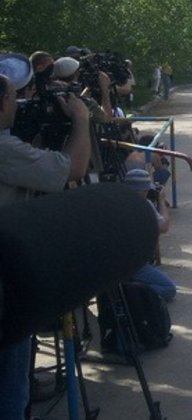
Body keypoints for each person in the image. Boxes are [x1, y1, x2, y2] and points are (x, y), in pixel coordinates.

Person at [0, 56, 92, 420]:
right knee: (11, 385)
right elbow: (75, 168)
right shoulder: (5, 151)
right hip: (6, 285)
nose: (18, 103)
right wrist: (81, 120)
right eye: (12, 97)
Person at [124, 169, 176, 302]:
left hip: (118, 260)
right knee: (168, 288)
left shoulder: (117, 201)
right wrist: (162, 201)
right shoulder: (143, 204)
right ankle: (129, 294)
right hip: (135, 262)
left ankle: (128, 286)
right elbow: (164, 227)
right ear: (143, 191)